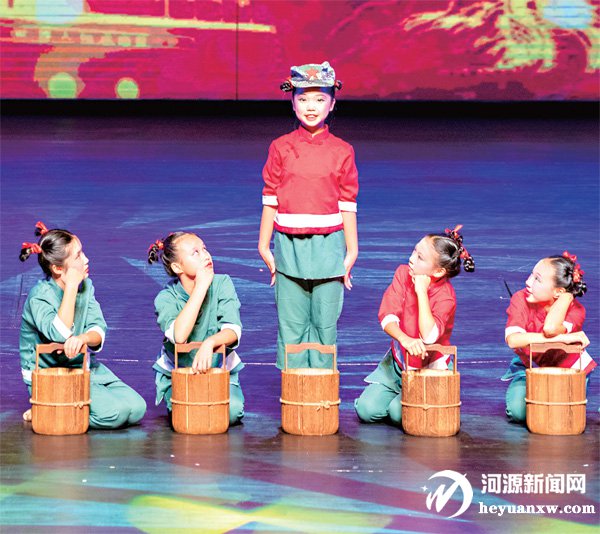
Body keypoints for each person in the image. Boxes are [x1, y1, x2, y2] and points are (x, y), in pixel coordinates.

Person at [258, 60, 359, 369]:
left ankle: (322, 390)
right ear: (292, 102)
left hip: (329, 246)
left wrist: (352, 251)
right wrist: (263, 246)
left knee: (325, 323)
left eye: (319, 99)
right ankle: (294, 390)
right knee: (290, 323)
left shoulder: (342, 150)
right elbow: (270, 197)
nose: (310, 107)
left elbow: (347, 202)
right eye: (303, 99)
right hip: (288, 246)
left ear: (332, 104)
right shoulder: (281, 147)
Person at [19, 221, 146, 428]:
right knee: (114, 414)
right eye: (78, 256)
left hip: (82, 367)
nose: (86, 259)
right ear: (58, 268)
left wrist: (83, 338)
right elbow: (59, 333)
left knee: (136, 409)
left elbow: (98, 328)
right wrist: (71, 286)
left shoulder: (86, 286)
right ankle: (48, 408)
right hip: (50, 375)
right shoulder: (39, 296)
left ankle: (56, 407)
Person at [355, 225, 475, 426]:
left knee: (397, 412)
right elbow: (387, 315)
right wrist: (404, 339)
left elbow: (428, 337)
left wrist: (421, 291)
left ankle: (417, 399)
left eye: (420, 257)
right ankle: (401, 393)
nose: (411, 259)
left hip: (428, 368)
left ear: (438, 271)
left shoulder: (446, 296)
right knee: (367, 410)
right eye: (414, 251)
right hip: (400, 363)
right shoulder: (402, 273)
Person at [148, 232, 244, 425]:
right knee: (190, 413)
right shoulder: (166, 298)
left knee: (230, 411)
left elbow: (233, 330)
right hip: (180, 374)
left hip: (218, 371)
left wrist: (210, 343)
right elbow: (180, 336)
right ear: (177, 267)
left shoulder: (222, 283)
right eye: (196, 253)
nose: (206, 255)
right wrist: (201, 287)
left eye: (205, 249)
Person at [503, 251, 595, 423]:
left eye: (537, 279)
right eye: (531, 274)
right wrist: (562, 339)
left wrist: (567, 296)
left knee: (561, 415)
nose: (528, 282)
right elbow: (513, 340)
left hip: (567, 369)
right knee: (519, 413)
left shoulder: (576, 311)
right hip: (531, 366)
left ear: (558, 291)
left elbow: (551, 328)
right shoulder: (520, 298)